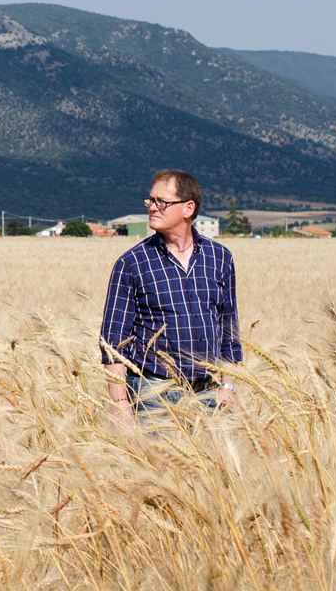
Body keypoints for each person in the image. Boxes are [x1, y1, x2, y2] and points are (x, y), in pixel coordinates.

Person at [100, 169, 241, 426]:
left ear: (188, 208)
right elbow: (113, 344)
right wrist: (119, 403)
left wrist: (228, 386)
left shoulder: (220, 258)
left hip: (210, 394)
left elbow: (229, 330)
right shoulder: (131, 264)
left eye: (161, 202)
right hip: (154, 395)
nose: (152, 207)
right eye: (150, 200)